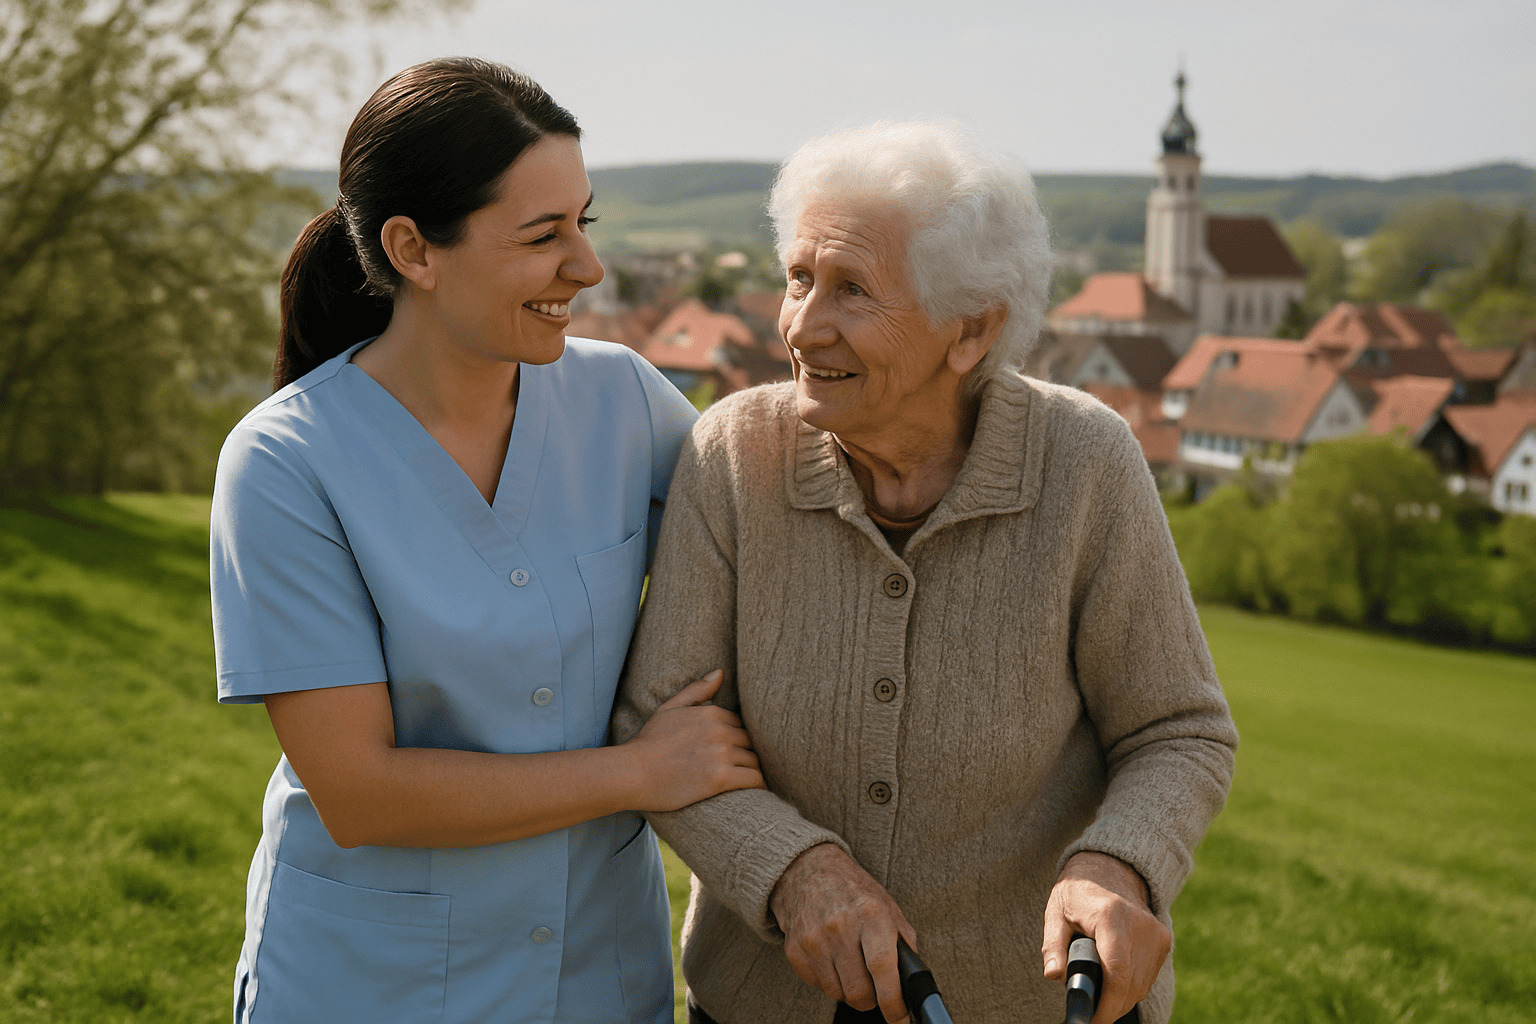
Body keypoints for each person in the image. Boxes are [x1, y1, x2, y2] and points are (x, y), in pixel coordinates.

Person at [613, 121, 1238, 1024]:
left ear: (971, 331)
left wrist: (1118, 865)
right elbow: (659, 720)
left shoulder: (1084, 462)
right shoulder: (734, 453)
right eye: (799, 276)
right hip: (769, 999)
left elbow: (1178, 731)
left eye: (852, 290)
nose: (799, 324)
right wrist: (794, 873)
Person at [210, 57, 763, 1024]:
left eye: (583, 223)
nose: (586, 268)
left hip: (600, 975)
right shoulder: (287, 463)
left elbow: (776, 536)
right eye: (542, 235)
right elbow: (361, 792)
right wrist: (636, 773)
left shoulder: (625, 399)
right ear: (414, 250)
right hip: (373, 984)